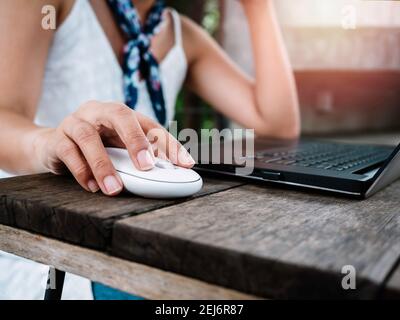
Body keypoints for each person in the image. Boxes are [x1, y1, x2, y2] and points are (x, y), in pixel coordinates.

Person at [0, 0, 300, 299]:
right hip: (42, 252)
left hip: (137, 241)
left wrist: (258, 7)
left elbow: (276, 123)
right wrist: (50, 143)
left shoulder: (181, 34)